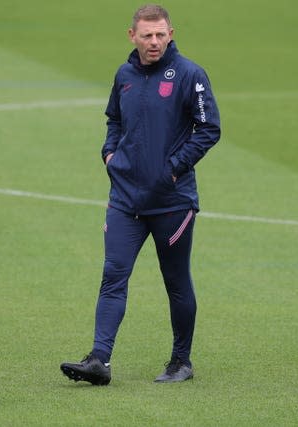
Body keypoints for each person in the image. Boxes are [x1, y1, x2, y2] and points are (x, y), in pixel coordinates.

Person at [60, 4, 221, 385]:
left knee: (176, 281)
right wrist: (110, 153)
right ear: (132, 35)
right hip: (125, 200)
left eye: (161, 34)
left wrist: (173, 168)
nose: (154, 42)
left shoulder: (189, 75)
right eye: (147, 35)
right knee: (113, 276)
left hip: (172, 202)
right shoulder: (125, 75)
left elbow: (209, 128)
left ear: (171, 33)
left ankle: (181, 361)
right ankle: (99, 361)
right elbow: (114, 119)